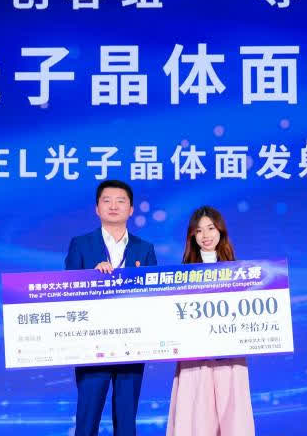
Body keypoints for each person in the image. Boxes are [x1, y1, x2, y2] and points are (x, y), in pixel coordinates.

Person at [65, 179, 158, 436]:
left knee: (127, 420)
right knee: (87, 419)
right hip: (91, 343)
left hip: (132, 343)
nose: (113, 206)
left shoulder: (145, 249)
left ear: (131, 209)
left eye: (121, 201)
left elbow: (154, 296)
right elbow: (65, 291)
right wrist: (90, 278)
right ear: (97, 208)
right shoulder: (81, 244)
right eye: (107, 201)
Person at [166, 206, 255, 436]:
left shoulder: (240, 273)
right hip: (195, 356)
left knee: (232, 414)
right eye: (199, 231)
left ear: (220, 231)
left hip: (230, 355)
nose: (205, 236)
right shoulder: (181, 276)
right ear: (192, 236)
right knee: (197, 413)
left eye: (211, 228)